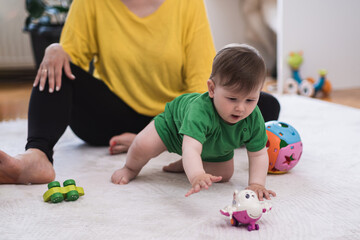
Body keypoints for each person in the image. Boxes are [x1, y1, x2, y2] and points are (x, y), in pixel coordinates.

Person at [0, 0, 279, 185]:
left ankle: (170, 144)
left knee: (263, 106)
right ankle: (38, 155)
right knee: (55, 63)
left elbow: (201, 83)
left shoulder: (187, 3)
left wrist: (172, 135)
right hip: (112, 118)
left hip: (176, 120)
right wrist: (54, 50)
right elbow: (71, 58)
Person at [111, 44, 276, 200]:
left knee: (224, 175)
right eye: (232, 98)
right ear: (212, 89)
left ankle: (185, 165)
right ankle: (130, 168)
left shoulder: (253, 117)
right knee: (143, 145)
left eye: (250, 100)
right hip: (173, 130)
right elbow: (190, 147)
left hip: (213, 145)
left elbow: (258, 154)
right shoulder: (200, 111)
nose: (241, 108)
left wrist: (256, 184)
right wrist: (197, 175)